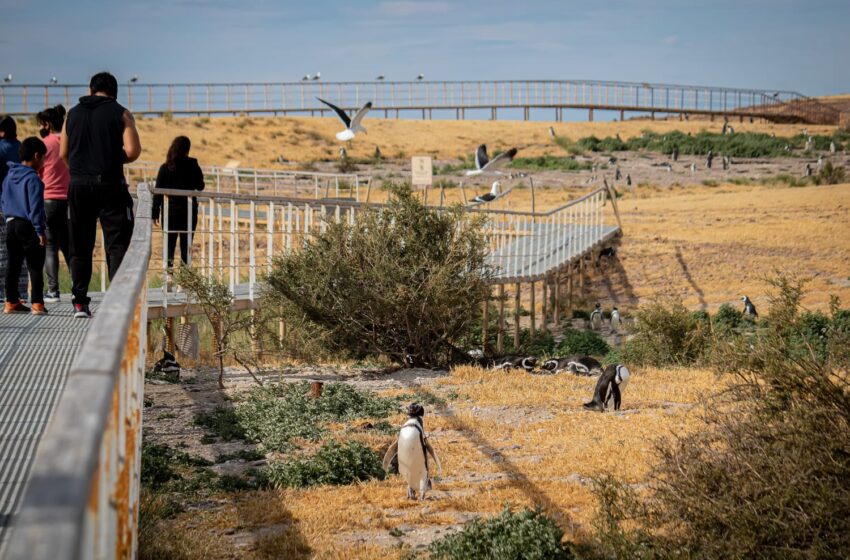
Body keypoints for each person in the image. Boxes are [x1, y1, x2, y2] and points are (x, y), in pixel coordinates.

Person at [61, 72, 141, 318]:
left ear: (90, 89)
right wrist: (113, 158)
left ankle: (80, 302)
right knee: (116, 244)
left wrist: (79, 170)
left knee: (81, 244)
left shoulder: (71, 114)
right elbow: (133, 150)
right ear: (114, 92)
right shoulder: (122, 113)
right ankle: (115, 302)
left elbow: (64, 152)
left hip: (78, 185)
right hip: (110, 185)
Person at [1, 137, 47, 315]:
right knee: (34, 264)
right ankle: (37, 303)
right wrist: (40, 230)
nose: (44, 162)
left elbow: (3, 199)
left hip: (11, 223)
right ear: (36, 156)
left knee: (13, 264)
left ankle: (11, 301)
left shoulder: (9, 176)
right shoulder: (33, 179)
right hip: (28, 225)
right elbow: (35, 206)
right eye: (43, 158)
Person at [152, 136, 205, 273]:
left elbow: (158, 191)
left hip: (170, 213)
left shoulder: (165, 167)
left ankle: (169, 279)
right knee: (186, 247)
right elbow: (200, 186)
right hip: (188, 212)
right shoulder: (193, 165)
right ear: (187, 149)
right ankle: (183, 282)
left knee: (169, 247)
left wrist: (155, 212)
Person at [36, 105, 71, 303]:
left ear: (47, 124)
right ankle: (77, 290)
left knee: (50, 247)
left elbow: (38, 172)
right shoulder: (69, 142)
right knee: (68, 247)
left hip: (48, 199)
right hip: (68, 200)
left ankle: (53, 291)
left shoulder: (44, 144)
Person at [0, 116, 31, 301]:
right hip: (21, 204)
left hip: (3, 203)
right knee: (20, 250)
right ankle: (20, 291)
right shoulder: (21, 147)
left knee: (3, 250)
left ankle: (3, 292)